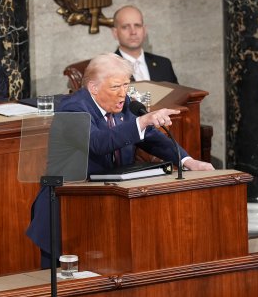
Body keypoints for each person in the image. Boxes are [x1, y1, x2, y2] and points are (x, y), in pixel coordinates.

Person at [26, 53, 213, 265]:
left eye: (126, 85)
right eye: (116, 87)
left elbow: (152, 138)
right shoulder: (72, 108)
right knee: (64, 287)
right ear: (93, 88)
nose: (123, 94)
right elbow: (98, 142)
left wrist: (188, 162)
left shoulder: (125, 105)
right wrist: (141, 122)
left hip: (106, 209)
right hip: (65, 213)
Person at [111, 5, 178, 83]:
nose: (133, 32)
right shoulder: (105, 68)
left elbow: (179, 95)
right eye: (125, 27)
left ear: (144, 30)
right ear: (115, 33)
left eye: (137, 25)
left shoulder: (164, 64)